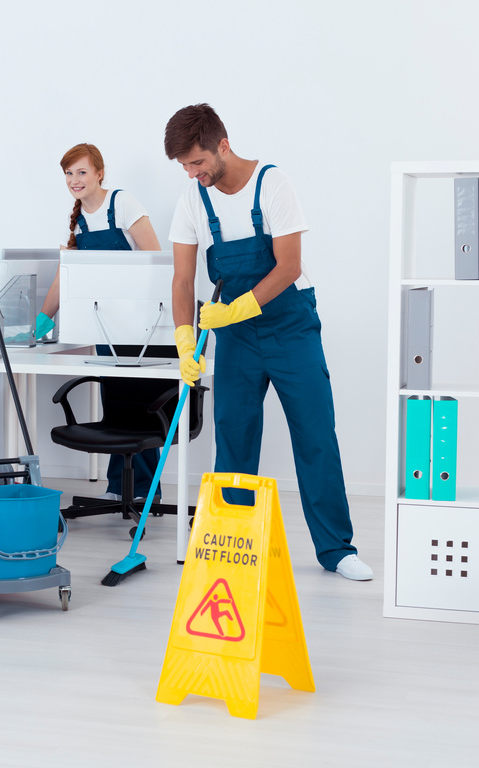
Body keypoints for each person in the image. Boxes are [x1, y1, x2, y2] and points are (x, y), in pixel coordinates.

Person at [163, 105, 372, 581]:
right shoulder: (193, 198)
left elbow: (289, 265)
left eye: (198, 163)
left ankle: (336, 550)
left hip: (290, 326)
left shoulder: (272, 184)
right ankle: (233, 548)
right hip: (236, 338)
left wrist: (237, 308)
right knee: (233, 438)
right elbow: (182, 278)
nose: (193, 174)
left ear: (223, 145)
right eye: (185, 167)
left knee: (315, 434)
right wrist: (183, 337)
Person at [38, 143, 168, 505]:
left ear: (99, 173)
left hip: (142, 326)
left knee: (140, 407)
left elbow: (155, 261)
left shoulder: (122, 204)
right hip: (108, 327)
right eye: (68, 173)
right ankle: (119, 487)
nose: (74, 180)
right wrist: (43, 319)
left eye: (82, 172)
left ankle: (143, 491)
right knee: (116, 406)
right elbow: (67, 275)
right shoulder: (80, 218)